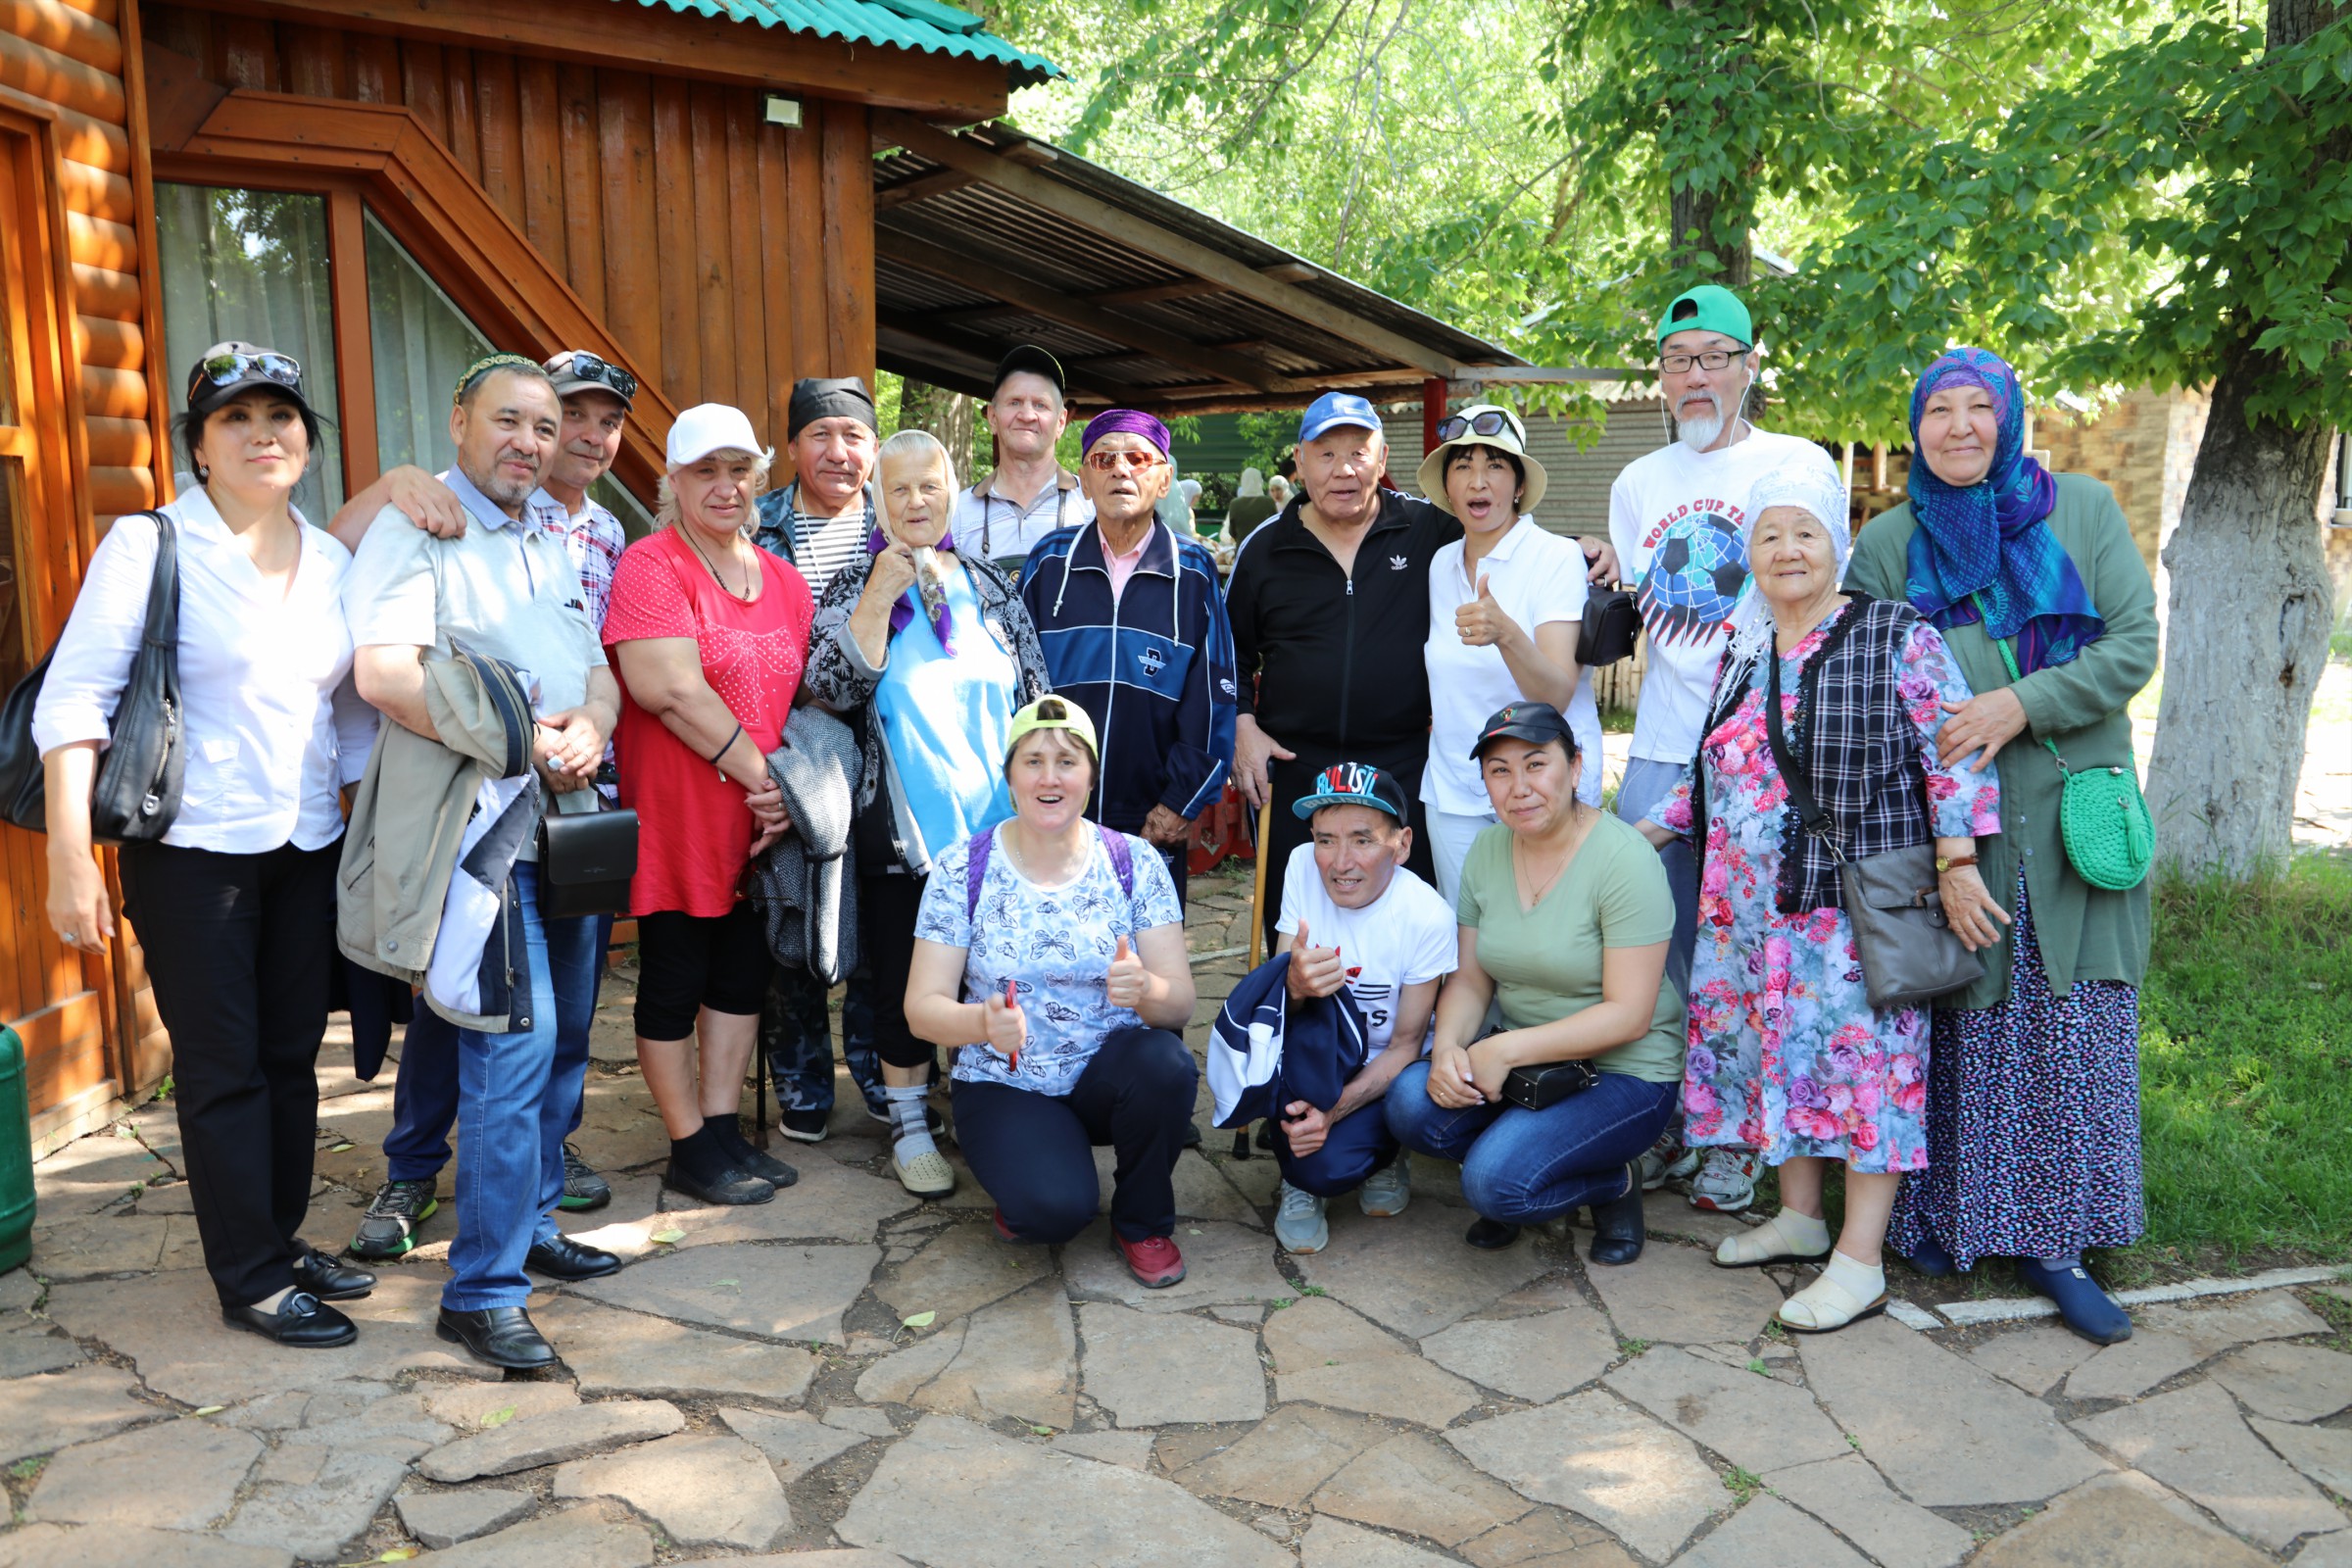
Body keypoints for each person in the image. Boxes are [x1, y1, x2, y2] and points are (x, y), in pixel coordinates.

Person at [34, 343, 378, 1347]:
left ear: (306, 441)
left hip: (307, 842)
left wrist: (367, 836)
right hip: (191, 852)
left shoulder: (333, 562)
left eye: (281, 416)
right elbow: (74, 700)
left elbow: (349, 716)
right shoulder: (151, 545)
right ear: (198, 446)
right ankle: (252, 1279)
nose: (263, 434)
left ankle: (276, 1236)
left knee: (290, 1056)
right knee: (225, 1067)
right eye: (236, 418)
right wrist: (68, 856)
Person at [1635, 464, 2006, 1332]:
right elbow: (1708, 774)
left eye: (1805, 532)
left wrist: (1957, 862)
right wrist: (1625, 837)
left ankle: (1860, 1262)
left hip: (1848, 910)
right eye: (1769, 535)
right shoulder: (1746, 649)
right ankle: (1799, 1219)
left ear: (1837, 544)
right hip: (1745, 914)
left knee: (1866, 1073)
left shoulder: (1891, 634)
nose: (1787, 549)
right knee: (1777, 1058)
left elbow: (1951, 748)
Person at [1850, 347, 2159, 1346]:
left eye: (1978, 407)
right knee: (1957, 1023)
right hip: (1957, 831)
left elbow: (2131, 644)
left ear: (2010, 417)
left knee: (2068, 1023)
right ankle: (1949, 1220)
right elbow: (1868, 682)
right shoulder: (1889, 543)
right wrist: (1942, 840)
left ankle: (2058, 1243)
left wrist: (2019, 704)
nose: (1959, 427)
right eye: (1938, 410)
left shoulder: (2086, 511)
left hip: (2071, 820)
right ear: (1915, 428)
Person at [343, 353, 620, 1369]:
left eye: (544, 428)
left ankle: (531, 1226)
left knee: (563, 1040)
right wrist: (522, 738)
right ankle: (483, 1292)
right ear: (459, 420)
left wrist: (592, 725)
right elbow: (384, 674)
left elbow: (594, 670)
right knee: (513, 1048)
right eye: (509, 421)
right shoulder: (416, 527)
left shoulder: (550, 536)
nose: (530, 443)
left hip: (569, 828)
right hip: (478, 841)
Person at [1605, 284, 1835, 1215]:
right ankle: (1664, 1119)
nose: (1694, 375)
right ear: (1661, 377)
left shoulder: (1797, 462)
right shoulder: (1636, 483)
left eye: (1713, 357)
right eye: (1677, 360)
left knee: (1748, 952)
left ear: (1748, 366)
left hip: (1767, 757)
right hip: (1663, 747)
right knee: (1652, 950)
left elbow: (1824, 599)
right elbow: (1639, 606)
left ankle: (1739, 1137)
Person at [802, 429, 1052, 1198]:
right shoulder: (850, 584)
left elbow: (1036, 696)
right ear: (876, 500)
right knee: (902, 986)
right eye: (899, 488)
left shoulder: (990, 583)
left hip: (994, 830)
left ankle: (985, 1105)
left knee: (996, 977)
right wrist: (881, 593)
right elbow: (827, 691)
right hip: (902, 833)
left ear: (952, 493)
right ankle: (910, 1126)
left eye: (930, 486)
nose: (916, 501)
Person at [905, 698, 1197, 1286]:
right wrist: (980, 1024)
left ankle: (1142, 1223)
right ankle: (1034, 1174)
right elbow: (920, 1009)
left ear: (1091, 776)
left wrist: (1144, 987)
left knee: (1166, 1063)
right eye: (1033, 761)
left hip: (1107, 1079)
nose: (1050, 778)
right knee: (1052, 1212)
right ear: (1009, 776)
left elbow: (1180, 1005)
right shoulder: (963, 868)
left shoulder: (1134, 862)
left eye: (1067, 762)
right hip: (1006, 1081)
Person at [604, 404, 813, 1205]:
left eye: (739, 471)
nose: (725, 487)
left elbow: (800, 703)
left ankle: (722, 1130)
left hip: (760, 821)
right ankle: (687, 1144)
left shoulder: (783, 579)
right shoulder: (652, 565)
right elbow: (667, 689)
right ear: (674, 482)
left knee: (740, 975)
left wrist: (790, 794)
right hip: (682, 812)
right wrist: (769, 783)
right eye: (705, 472)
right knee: (674, 974)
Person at [1386, 703, 1684, 1258]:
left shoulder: (1625, 859)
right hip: (1530, 1068)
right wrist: (1448, 1048)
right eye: (1499, 771)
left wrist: (1502, 1050)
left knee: (1494, 1185)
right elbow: (1471, 979)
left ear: (1575, 767)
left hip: (1623, 1073)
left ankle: (1612, 1182)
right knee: (1409, 1102)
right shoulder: (1487, 850)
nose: (1519, 787)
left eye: (1536, 764)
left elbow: (1629, 1015)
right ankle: (1526, 1155)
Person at [1227, 392, 1460, 947]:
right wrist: (1241, 722)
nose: (1344, 470)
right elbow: (1226, 655)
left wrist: (1583, 549)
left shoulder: (1428, 530)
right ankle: (1292, 1003)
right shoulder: (1265, 548)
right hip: (1295, 766)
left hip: (1402, 761)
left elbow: (1506, 542)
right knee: (1297, 926)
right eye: (1326, 454)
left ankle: (1408, 1008)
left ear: (1382, 460)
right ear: (1300, 462)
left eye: (1359, 452)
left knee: (1407, 920)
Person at [1019, 409, 1237, 907]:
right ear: (1084, 480)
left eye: (1138, 459)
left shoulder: (1194, 573)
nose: (1121, 469)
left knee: (1146, 954)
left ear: (1165, 480)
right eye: (1104, 459)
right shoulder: (1049, 563)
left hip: (1151, 819)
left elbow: (1213, 701)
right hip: (1052, 809)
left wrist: (1178, 803)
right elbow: (1015, 684)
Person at [751, 376, 890, 1143]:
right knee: (791, 910)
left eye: (854, 436)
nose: (839, 452)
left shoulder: (895, 526)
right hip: (779, 751)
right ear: (793, 446)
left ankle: (879, 1072)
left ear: (874, 448)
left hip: (878, 755)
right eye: (821, 435)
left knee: (875, 916)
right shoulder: (755, 524)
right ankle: (802, 1082)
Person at [1269, 763, 1456, 1253]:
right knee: (1298, 1145)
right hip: (1317, 1051)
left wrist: (1334, 1112)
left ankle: (1387, 1151)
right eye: (1325, 840)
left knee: (1326, 1167)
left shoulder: (1428, 917)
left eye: (1362, 840)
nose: (1340, 862)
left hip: (1384, 1065)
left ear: (1402, 844)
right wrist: (1292, 986)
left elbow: (1406, 1045)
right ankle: (1297, 1175)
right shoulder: (1301, 865)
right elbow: (1276, 1009)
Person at [1416, 403, 1598, 903]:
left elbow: (1556, 697)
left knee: (1545, 930)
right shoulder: (1440, 564)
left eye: (1495, 465)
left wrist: (1506, 633)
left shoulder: (1555, 556)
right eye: (1463, 466)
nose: (1478, 481)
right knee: (1468, 931)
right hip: (1454, 789)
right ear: (1447, 488)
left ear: (1518, 485)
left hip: (1538, 788)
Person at [950, 346, 1091, 575]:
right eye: (1014, 402)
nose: (1027, 415)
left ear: (1061, 422)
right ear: (992, 417)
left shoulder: (1091, 508)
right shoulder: (957, 514)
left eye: (1040, 405)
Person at [1225, 467, 1278, 544]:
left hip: (1243, 547)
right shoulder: (1269, 502)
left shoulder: (1234, 504)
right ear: (1260, 481)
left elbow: (1232, 532)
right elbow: (1276, 527)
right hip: (1264, 547)